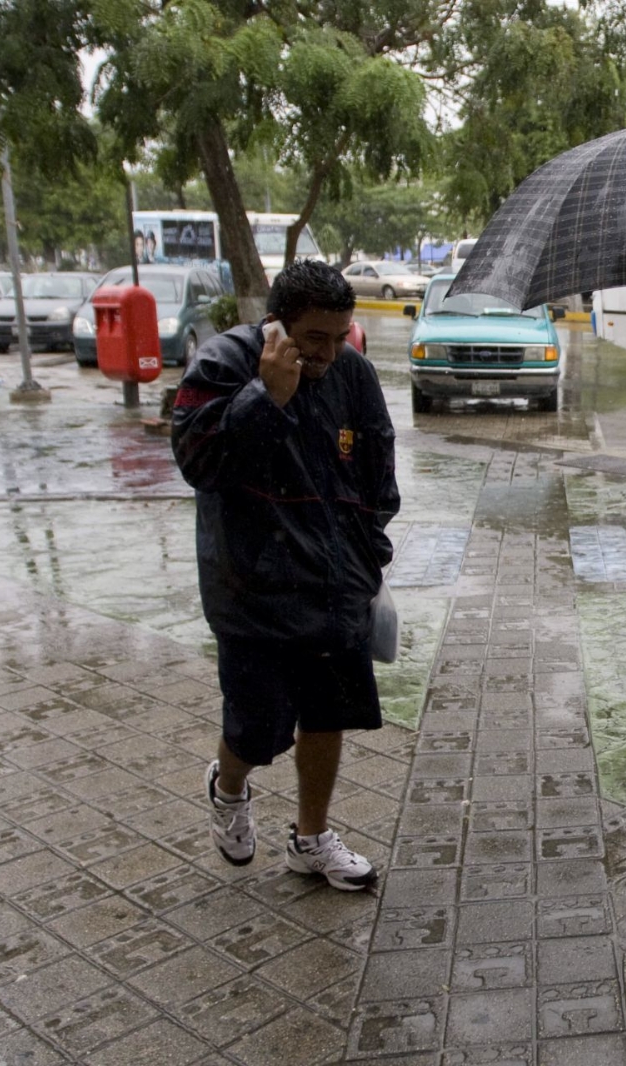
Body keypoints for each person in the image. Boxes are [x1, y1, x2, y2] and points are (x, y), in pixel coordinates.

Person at [171, 260, 399, 891]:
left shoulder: (353, 373)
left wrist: (367, 557)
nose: (328, 352)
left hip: (334, 584)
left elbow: (378, 472)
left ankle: (311, 838)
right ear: (276, 324)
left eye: (339, 335)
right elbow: (196, 461)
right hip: (252, 590)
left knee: (327, 714)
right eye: (313, 339)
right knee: (258, 726)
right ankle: (229, 786)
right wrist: (264, 396)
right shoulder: (223, 365)